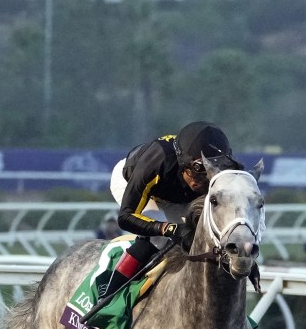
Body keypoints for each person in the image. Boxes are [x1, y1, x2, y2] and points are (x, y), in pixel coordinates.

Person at [102, 121, 241, 298]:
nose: (203, 182)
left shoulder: (213, 174)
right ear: (184, 164)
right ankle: (109, 295)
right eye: (199, 173)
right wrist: (168, 228)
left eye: (209, 174)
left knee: (203, 237)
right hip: (133, 183)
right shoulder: (156, 163)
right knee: (157, 239)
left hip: (176, 196)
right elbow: (126, 217)